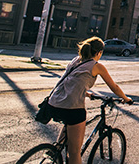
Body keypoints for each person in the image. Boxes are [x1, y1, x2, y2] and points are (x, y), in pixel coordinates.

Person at [48, 36, 133, 164]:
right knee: (75, 152)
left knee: (68, 128)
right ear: (99, 53)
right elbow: (114, 87)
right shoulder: (96, 66)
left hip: (53, 103)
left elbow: (71, 82)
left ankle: (55, 151)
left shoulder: (76, 60)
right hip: (72, 108)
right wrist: (126, 99)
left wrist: (87, 94)